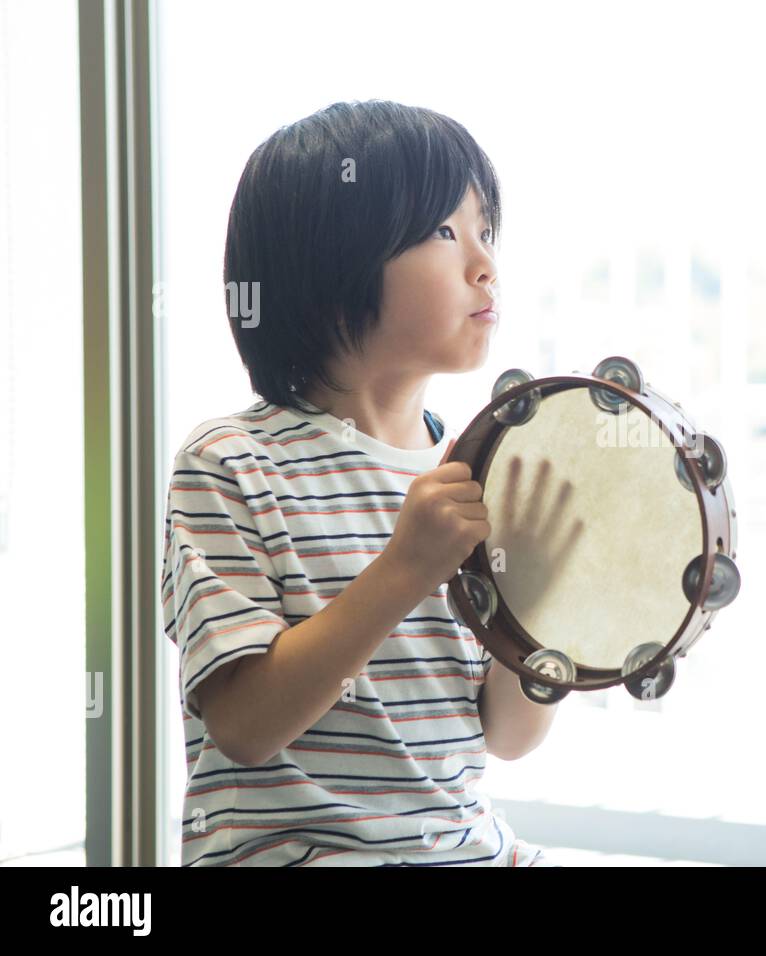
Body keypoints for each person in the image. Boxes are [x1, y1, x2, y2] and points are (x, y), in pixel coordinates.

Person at [161, 99, 561, 866]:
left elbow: (509, 738)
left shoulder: (482, 469)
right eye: (446, 232)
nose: (485, 263)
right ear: (329, 263)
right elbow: (246, 725)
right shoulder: (230, 463)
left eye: (486, 231)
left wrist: (545, 609)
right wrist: (407, 567)